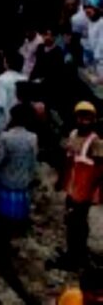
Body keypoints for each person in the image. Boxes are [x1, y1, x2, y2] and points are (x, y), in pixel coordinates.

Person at [51, 101, 103, 270]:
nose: (83, 121)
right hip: (72, 187)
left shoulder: (96, 142)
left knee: (78, 223)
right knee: (71, 221)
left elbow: (100, 170)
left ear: (93, 119)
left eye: (87, 117)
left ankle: (76, 257)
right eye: (81, 116)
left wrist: (93, 193)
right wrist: (61, 181)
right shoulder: (73, 135)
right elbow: (67, 160)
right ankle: (73, 253)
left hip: (84, 191)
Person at [0, 104, 38, 240]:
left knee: (0, 211)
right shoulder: (33, 138)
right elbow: (33, 161)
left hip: (5, 178)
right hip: (22, 180)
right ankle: (15, 230)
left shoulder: (5, 136)